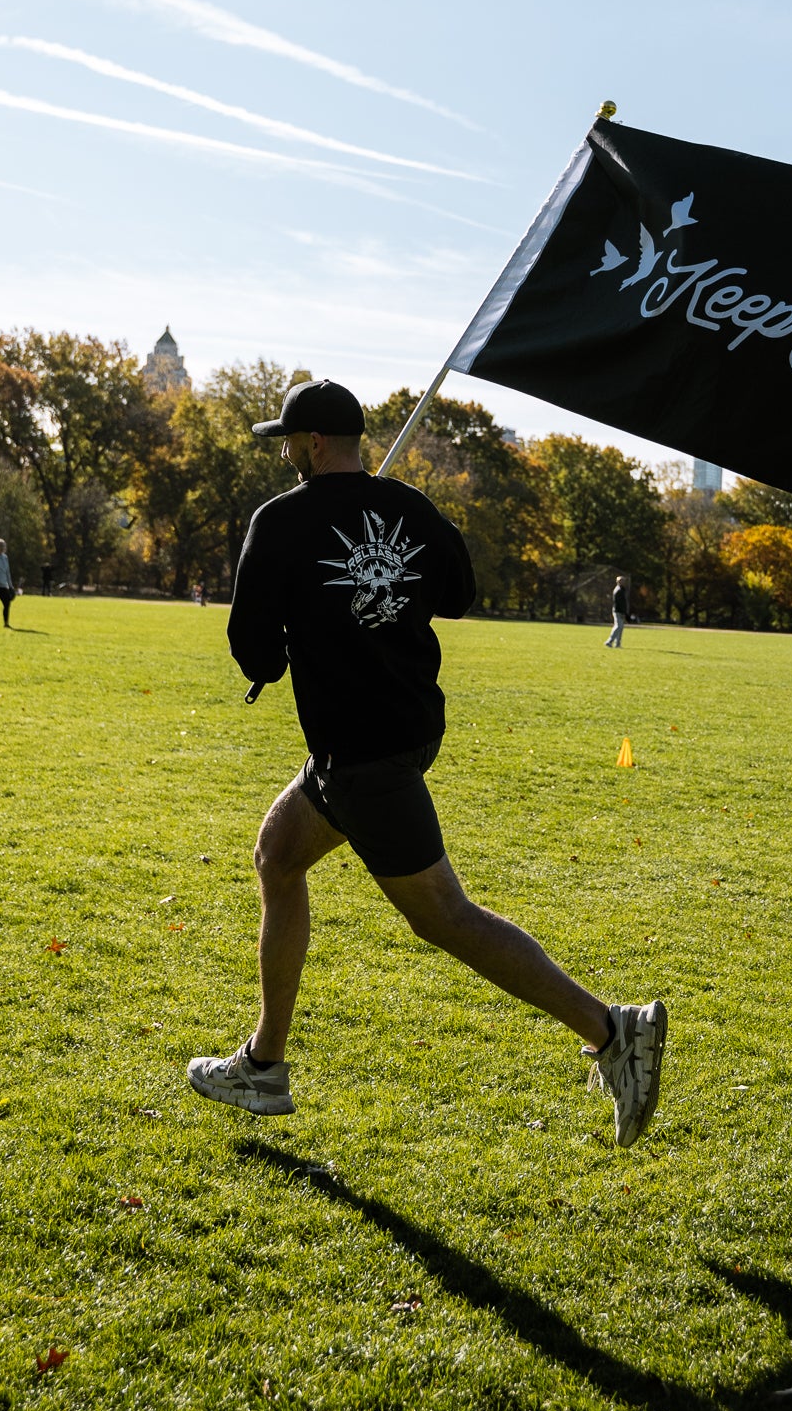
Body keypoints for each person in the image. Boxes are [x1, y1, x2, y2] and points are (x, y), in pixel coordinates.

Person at [190, 379, 666, 1146]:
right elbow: (458, 595)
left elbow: (257, 654)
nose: (284, 453)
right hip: (403, 731)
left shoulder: (280, 520)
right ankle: (263, 1066)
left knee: (443, 916)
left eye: (288, 441)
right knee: (278, 853)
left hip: (363, 753)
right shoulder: (409, 506)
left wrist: (289, 635)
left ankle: (614, 1031)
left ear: (313, 443)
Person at [604, 575, 629, 648]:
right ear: (619, 582)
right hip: (618, 611)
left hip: (620, 611)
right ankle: (609, 641)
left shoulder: (621, 589)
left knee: (620, 627)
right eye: (623, 581)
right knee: (618, 626)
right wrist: (623, 612)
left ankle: (617, 644)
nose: (624, 582)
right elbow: (619, 603)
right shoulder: (618, 590)